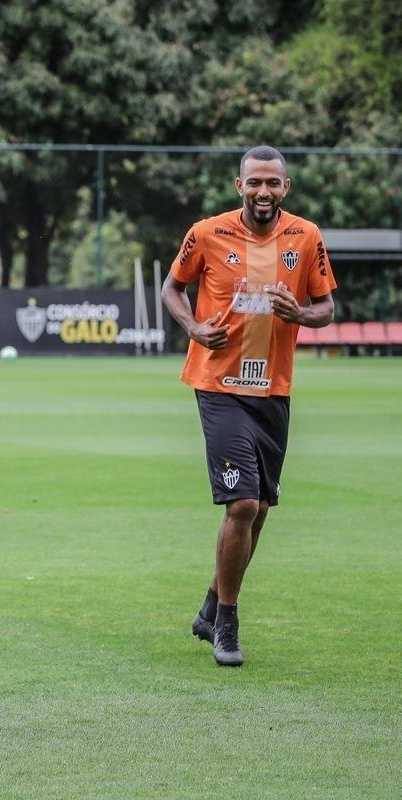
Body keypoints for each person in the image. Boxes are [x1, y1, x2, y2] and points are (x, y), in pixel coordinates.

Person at [162, 145, 336, 667]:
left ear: (286, 188)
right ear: (239, 186)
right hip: (218, 384)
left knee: (259, 507)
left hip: (274, 390)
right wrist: (193, 327)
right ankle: (228, 626)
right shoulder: (207, 233)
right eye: (254, 182)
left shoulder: (305, 238)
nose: (264, 191)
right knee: (240, 503)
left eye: (273, 184)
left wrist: (301, 313)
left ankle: (212, 605)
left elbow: (327, 306)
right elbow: (173, 287)